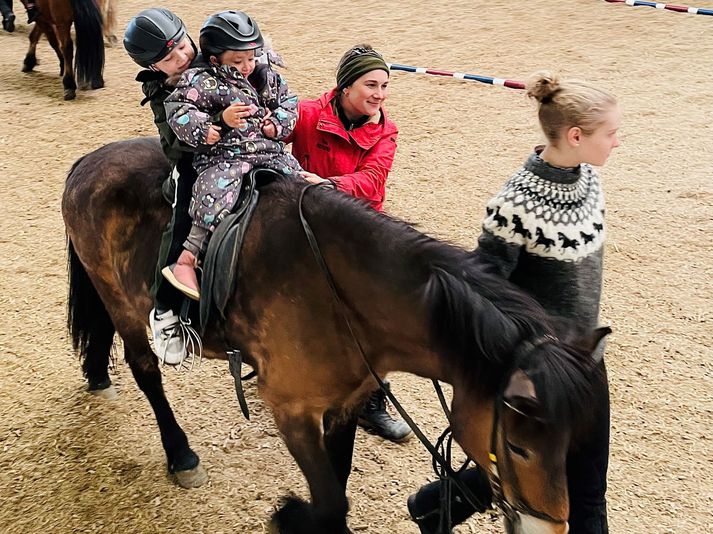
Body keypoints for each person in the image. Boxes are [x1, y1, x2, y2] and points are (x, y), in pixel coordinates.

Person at [408, 71, 621, 534]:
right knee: (570, 491)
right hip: (542, 373)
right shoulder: (515, 205)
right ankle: (436, 504)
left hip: (586, 357)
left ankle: (433, 505)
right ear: (576, 135)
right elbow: (483, 287)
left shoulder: (589, 181)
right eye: (611, 133)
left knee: (583, 486)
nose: (617, 143)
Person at [288, 44, 412, 443]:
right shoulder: (306, 113)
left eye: (384, 85)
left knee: (375, 318)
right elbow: (269, 137)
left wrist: (327, 186)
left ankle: (372, 402)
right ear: (345, 87)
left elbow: (373, 181)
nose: (379, 94)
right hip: (303, 225)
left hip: (359, 230)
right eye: (370, 84)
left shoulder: (386, 132)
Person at [162, 10, 301, 300]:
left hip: (267, 150)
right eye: (238, 61)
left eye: (251, 57)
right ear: (215, 60)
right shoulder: (199, 82)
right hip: (225, 156)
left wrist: (277, 124)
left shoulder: (265, 75)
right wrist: (212, 126)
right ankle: (188, 257)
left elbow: (289, 101)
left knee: (298, 179)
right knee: (213, 191)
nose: (247, 65)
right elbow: (179, 110)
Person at [123, 8, 206, 365]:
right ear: (155, 68)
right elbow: (173, 145)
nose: (183, 58)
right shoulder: (161, 89)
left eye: (183, 47)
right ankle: (165, 309)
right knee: (185, 209)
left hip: (245, 148)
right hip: (196, 160)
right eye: (170, 59)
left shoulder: (211, 54)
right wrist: (211, 127)